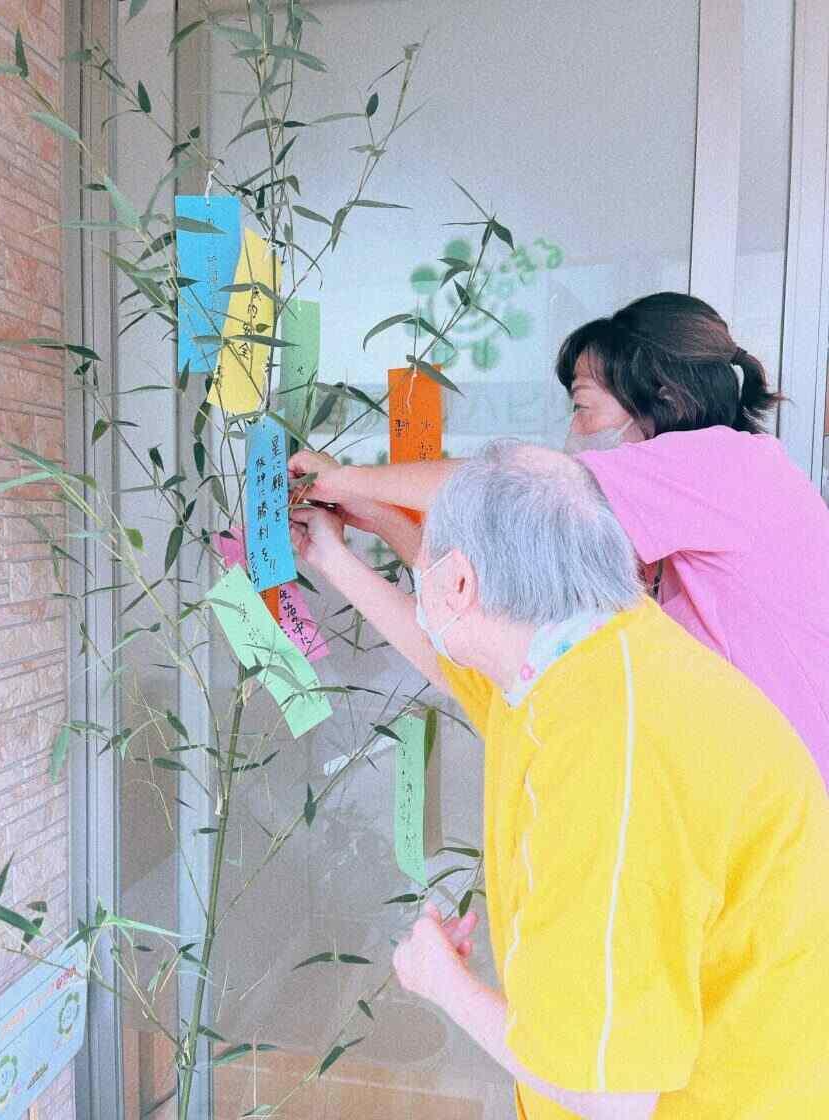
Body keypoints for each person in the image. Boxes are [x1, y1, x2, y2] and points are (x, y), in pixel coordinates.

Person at [289, 441, 829, 1120]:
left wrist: (442, 984)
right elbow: (448, 656)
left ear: (459, 585)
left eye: (425, 559)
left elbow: (611, 1094)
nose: (415, 567)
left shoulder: (610, 754)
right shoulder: (590, 656)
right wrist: (330, 556)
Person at [289, 293, 829, 783]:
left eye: (582, 406)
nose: (573, 435)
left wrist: (340, 480)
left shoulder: (730, 467)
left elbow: (508, 491)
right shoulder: (652, 544)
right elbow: (485, 636)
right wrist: (362, 532)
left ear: (661, 394)